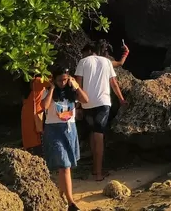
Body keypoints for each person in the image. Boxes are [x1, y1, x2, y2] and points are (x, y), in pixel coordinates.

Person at [75, 40, 126, 182]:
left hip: (86, 104)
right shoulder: (107, 62)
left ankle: (94, 169)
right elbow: (114, 83)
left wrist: (77, 105)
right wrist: (121, 99)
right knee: (99, 136)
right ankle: (98, 173)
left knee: (93, 133)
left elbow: (77, 85)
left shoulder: (83, 62)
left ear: (90, 51)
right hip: (102, 104)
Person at [42, 65, 89, 211]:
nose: (63, 83)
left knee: (66, 166)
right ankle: (71, 203)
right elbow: (43, 106)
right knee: (65, 166)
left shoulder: (71, 92)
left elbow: (85, 100)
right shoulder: (48, 91)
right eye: (60, 80)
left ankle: (60, 194)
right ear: (54, 80)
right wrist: (51, 89)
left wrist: (76, 87)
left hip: (70, 130)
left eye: (65, 79)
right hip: (54, 131)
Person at [21, 72, 51, 154]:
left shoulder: (29, 89)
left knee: (31, 143)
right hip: (36, 118)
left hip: (28, 117)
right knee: (38, 144)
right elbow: (54, 81)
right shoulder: (37, 82)